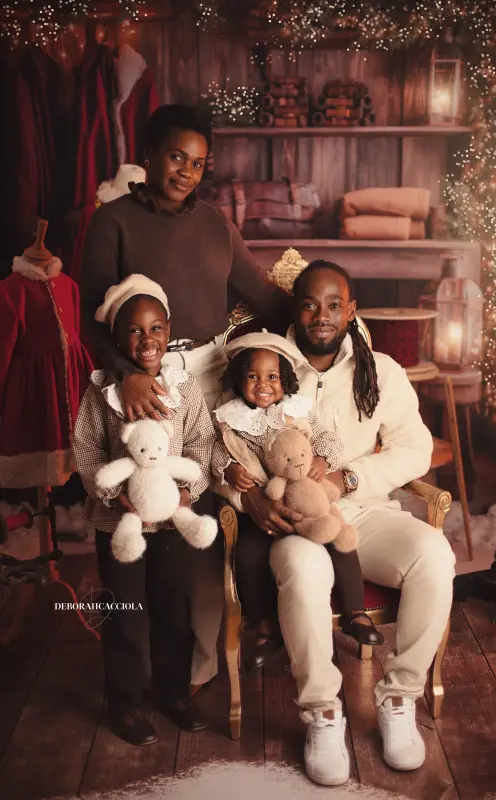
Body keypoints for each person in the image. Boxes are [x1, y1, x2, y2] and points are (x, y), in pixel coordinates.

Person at [80, 103, 289, 689]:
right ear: (148, 154)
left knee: (198, 519)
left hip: (212, 374)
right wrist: (126, 372)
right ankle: (134, 675)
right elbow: (89, 315)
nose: (186, 172)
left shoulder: (215, 224)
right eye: (176, 157)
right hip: (143, 379)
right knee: (141, 518)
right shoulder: (113, 221)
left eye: (198, 163)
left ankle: (193, 664)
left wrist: (330, 325)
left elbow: (264, 293)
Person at [240, 260, 455, 787]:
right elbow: (225, 440)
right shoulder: (269, 364)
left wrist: (348, 478)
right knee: (306, 570)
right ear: (295, 307)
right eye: (310, 303)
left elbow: (416, 448)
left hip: (364, 512)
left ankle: (400, 697)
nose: (322, 315)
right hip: (297, 522)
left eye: (335, 304)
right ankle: (323, 713)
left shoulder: (379, 370)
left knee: (435, 554)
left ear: (351, 310)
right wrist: (247, 496)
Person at [73, 275, 216, 746]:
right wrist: (115, 495)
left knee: (174, 609)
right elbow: (87, 452)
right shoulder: (100, 393)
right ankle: (125, 702)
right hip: (121, 524)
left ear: (168, 330)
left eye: (156, 328)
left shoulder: (185, 388)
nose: (147, 339)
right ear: (117, 338)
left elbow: (200, 444)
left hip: (172, 521)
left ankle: (173, 693)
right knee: (125, 613)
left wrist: (185, 494)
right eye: (133, 330)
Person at [211, 332, 383, 669]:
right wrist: (229, 470)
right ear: (238, 379)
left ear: (285, 379)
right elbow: (218, 452)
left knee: (340, 536)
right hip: (267, 508)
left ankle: (355, 612)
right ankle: (263, 625)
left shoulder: (297, 410)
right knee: (247, 555)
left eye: (272, 376)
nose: (263, 384)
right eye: (253, 376)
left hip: (306, 499)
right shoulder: (231, 418)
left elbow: (329, 440)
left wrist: (322, 461)